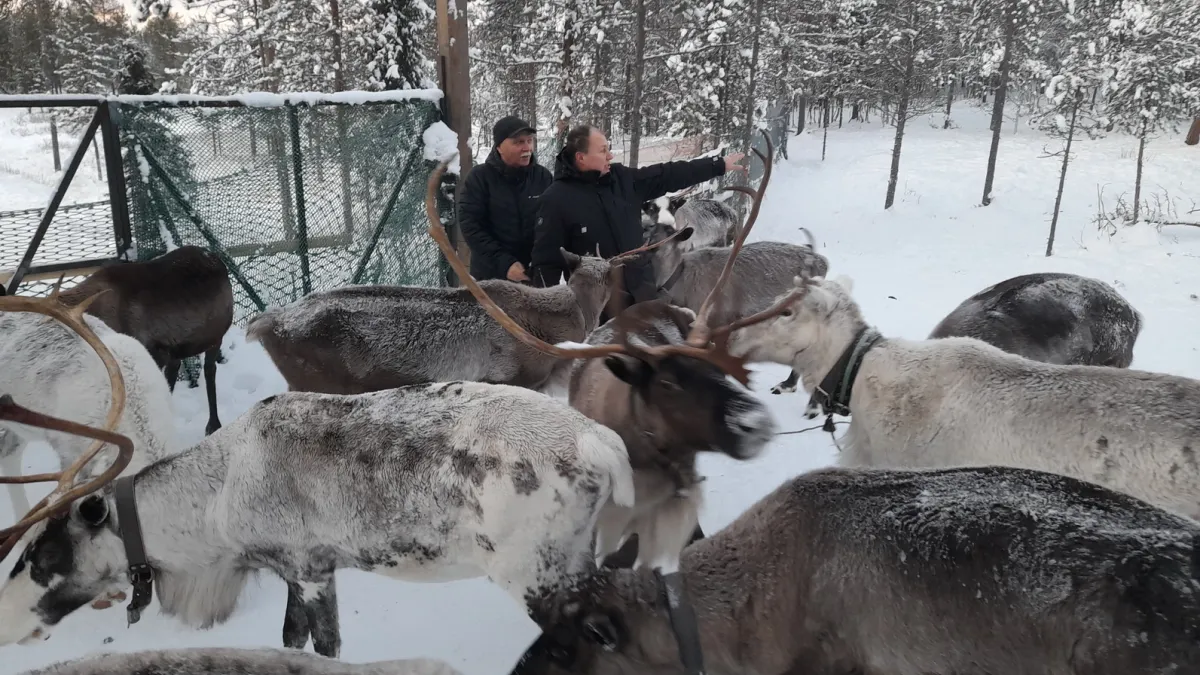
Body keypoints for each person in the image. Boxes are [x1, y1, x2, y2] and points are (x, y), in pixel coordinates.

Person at [528, 124, 745, 306]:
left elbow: (667, 174)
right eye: (603, 150)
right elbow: (546, 265)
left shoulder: (622, 180)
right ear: (581, 157)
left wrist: (717, 165)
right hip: (597, 309)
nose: (610, 155)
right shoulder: (555, 200)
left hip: (643, 296)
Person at [457, 115, 554, 282]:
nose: (527, 148)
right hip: (492, 278)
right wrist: (504, 264)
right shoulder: (480, 178)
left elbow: (553, 224)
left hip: (534, 276)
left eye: (529, 141)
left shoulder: (543, 177)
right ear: (499, 147)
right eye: (518, 142)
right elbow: (472, 228)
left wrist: (542, 261)